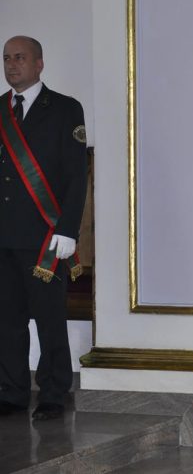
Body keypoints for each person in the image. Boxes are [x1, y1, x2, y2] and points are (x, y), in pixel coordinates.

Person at [0, 36, 88, 420]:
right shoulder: (0, 110)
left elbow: (76, 175)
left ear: (39, 64)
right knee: (7, 320)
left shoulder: (66, 109)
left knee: (50, 318)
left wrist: (68, 229)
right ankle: (13, 390)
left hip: (46, 237)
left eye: (19, 57)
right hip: (4, 235)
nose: (11, 64)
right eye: (6, 58)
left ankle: (53, 390)